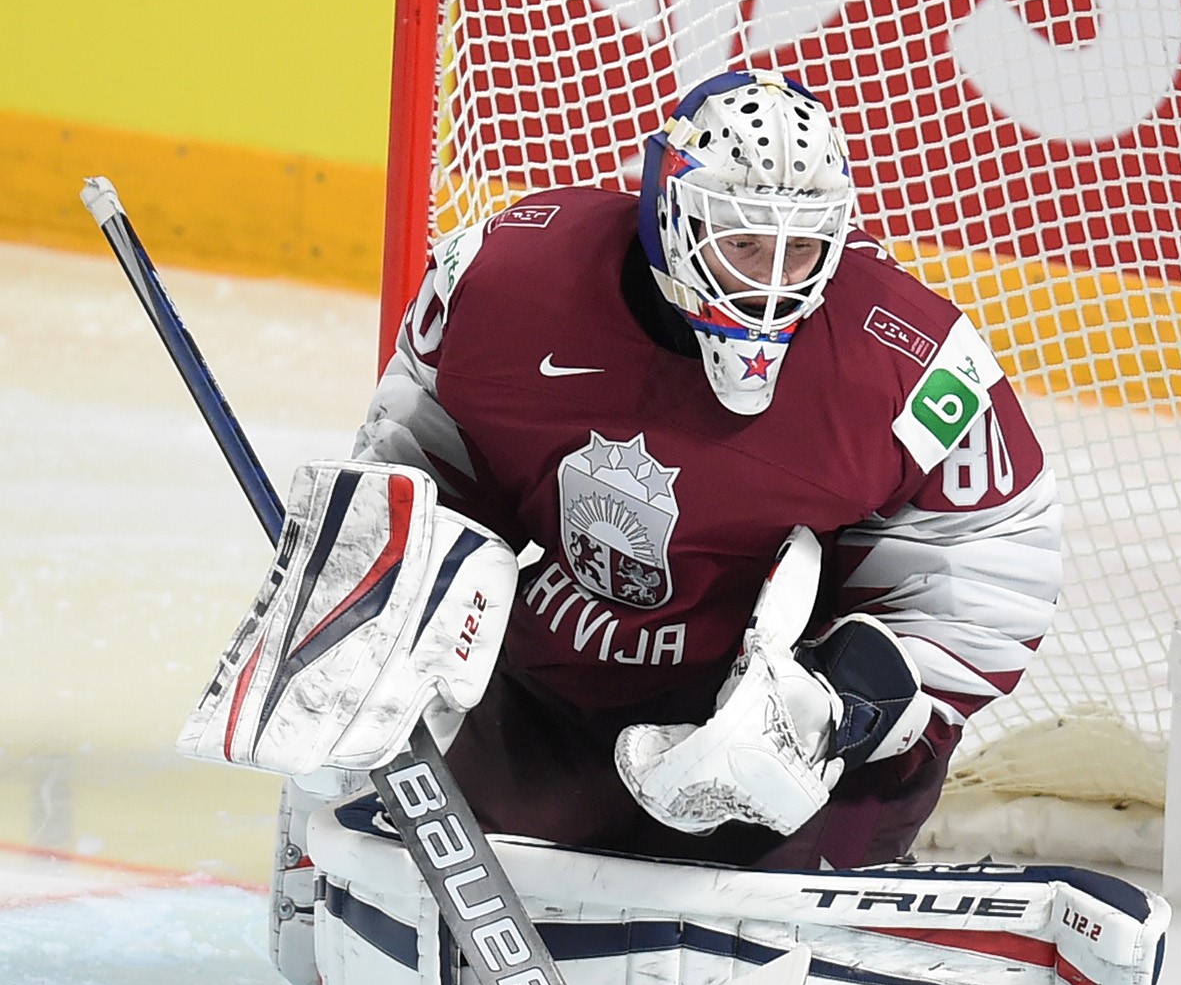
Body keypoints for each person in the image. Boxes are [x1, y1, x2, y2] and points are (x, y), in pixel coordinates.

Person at [350, 68, 1064, 864]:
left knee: (893, 746)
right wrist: (383, 600)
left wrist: (832, 708)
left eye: (799, 253)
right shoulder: (502, 278)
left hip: (774, 732)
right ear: (670, 208)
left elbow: (994, 560)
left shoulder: (904, 358)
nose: (770, 281)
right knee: (405, 782)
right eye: (745, 244)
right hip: (552, 687)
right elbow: (415, 454)